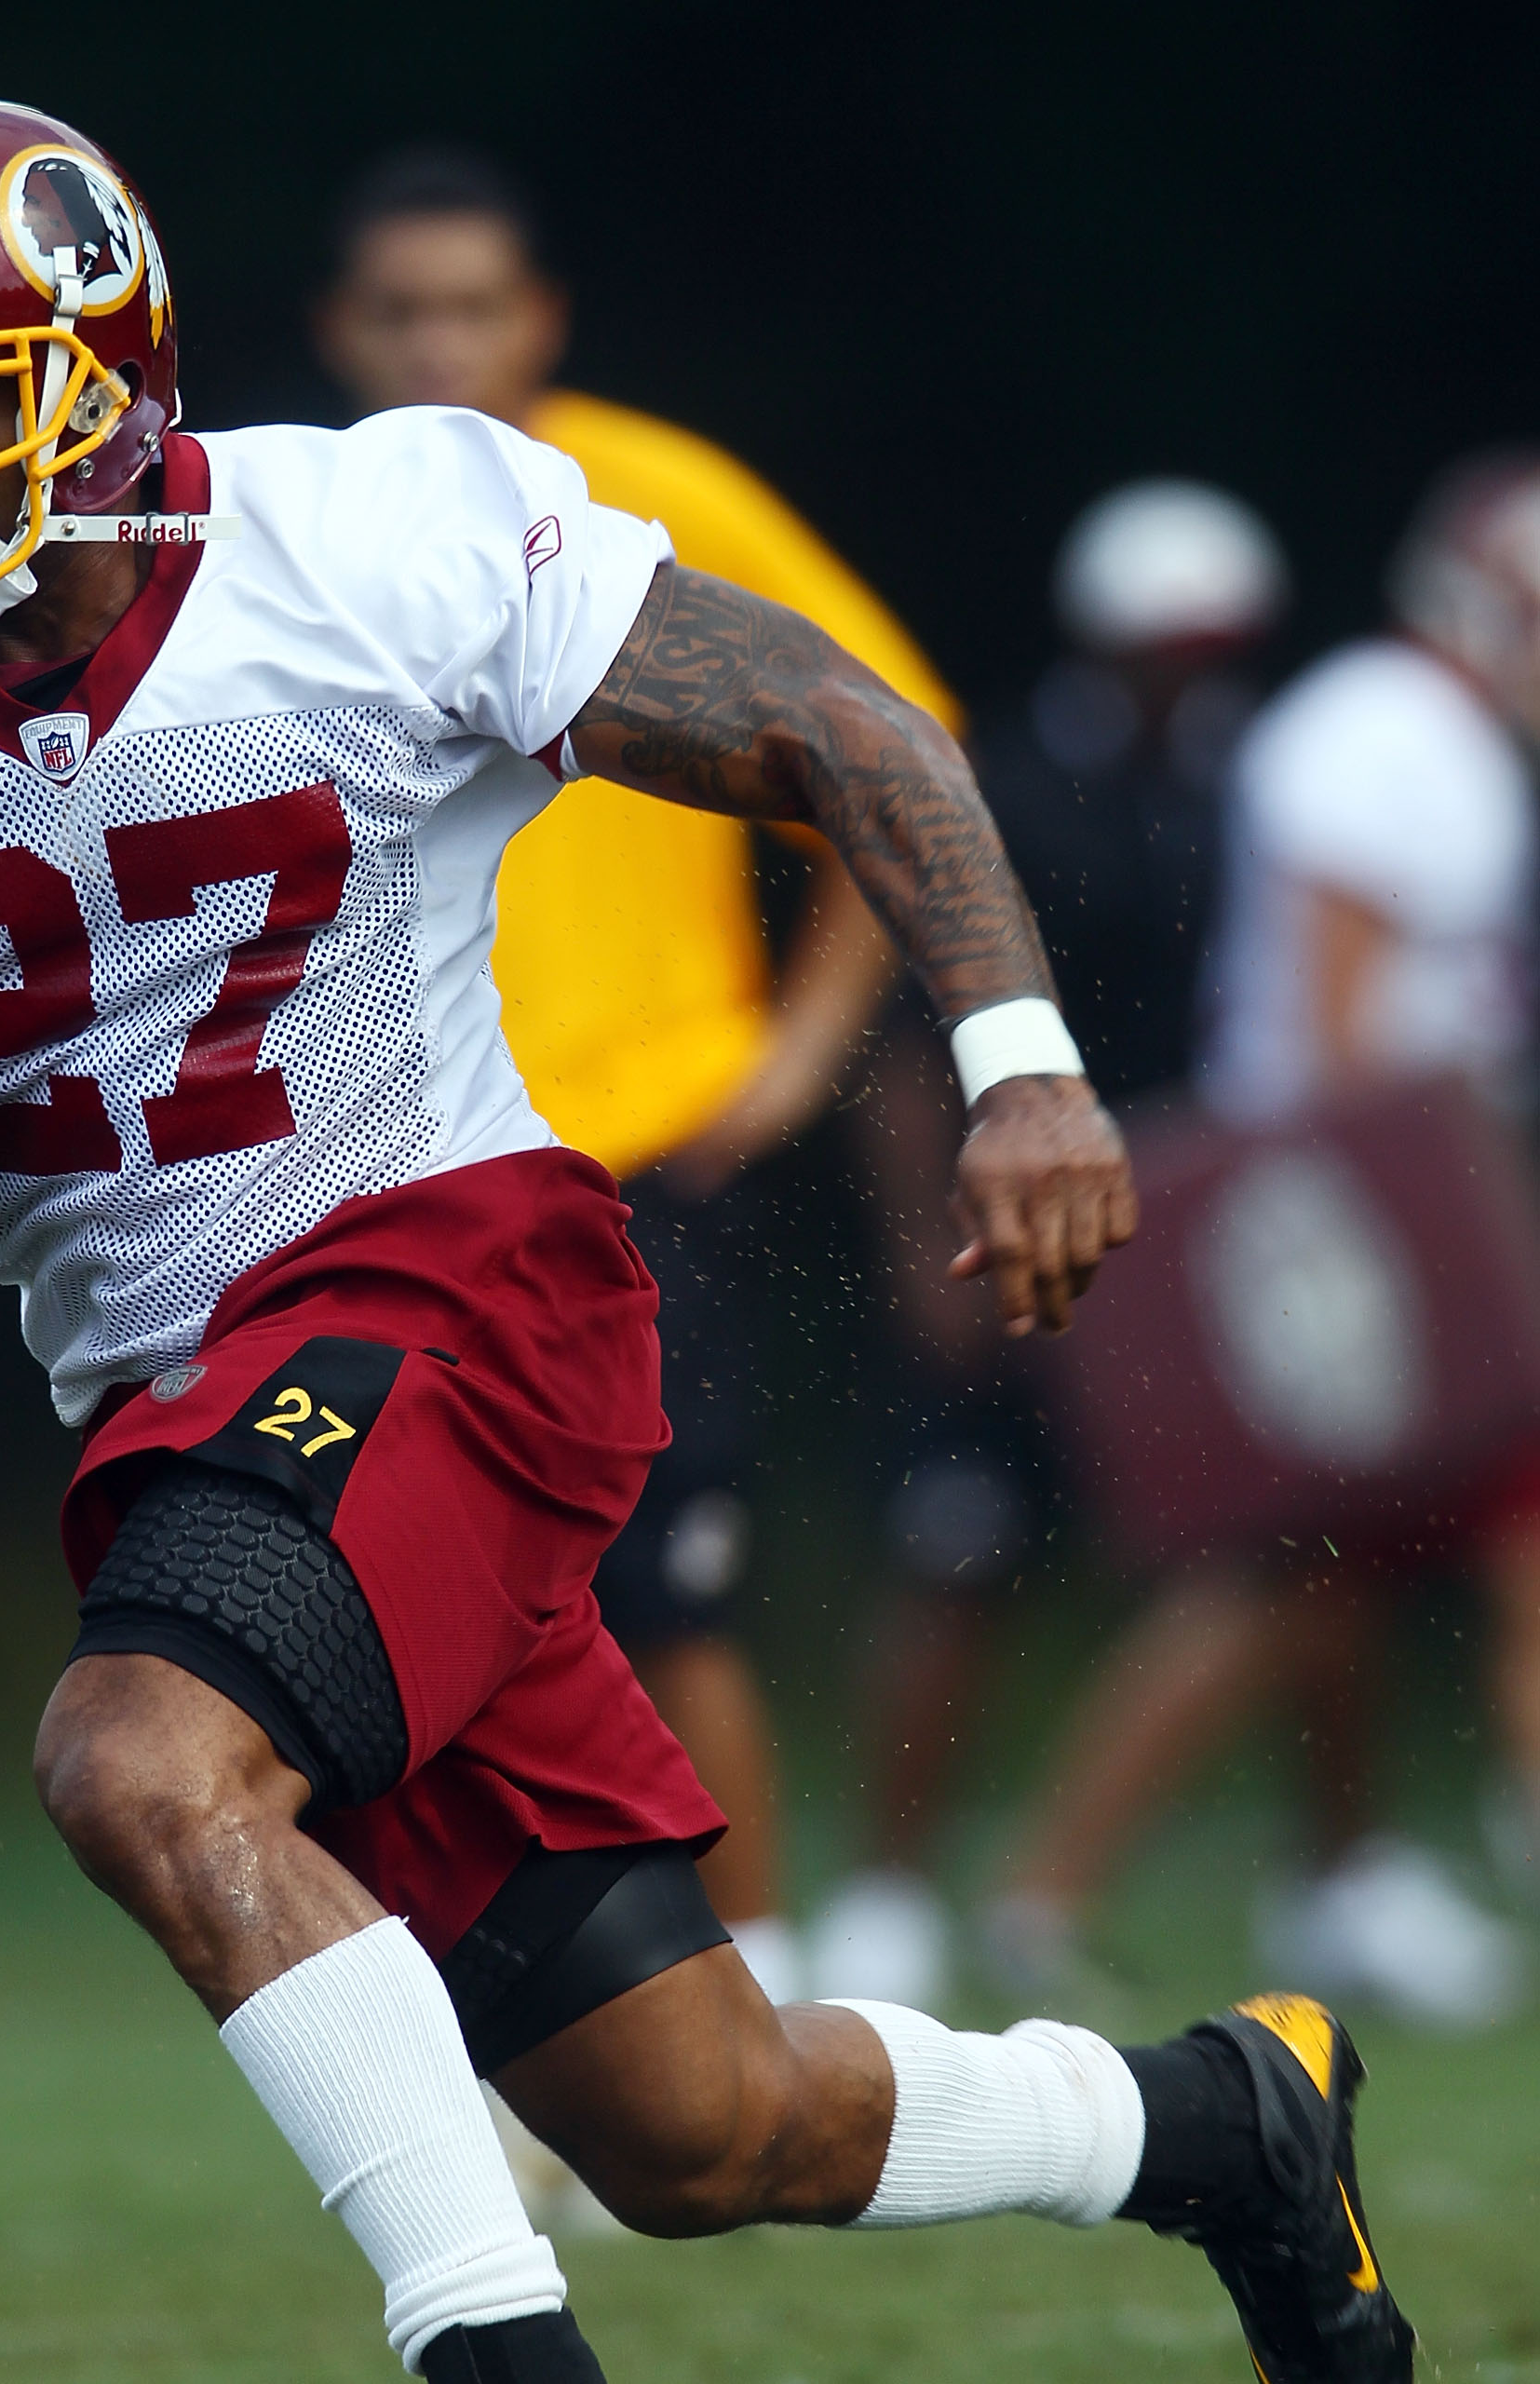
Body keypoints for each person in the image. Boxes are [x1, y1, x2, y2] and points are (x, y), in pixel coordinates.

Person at [0, 98, 1412, 2384]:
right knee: (706, 2126)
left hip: (454, 1287)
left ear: (101, 383)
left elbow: (839, 727)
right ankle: (1226, 2122)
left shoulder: (377, 540)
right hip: (190, 1407)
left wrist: (1019, 1057)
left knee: (141, 1762)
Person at [312, 146, 962, 2005]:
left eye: (471, 303)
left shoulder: (649, 495)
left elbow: (886, 737)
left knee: (669, 1604)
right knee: (404, 1624)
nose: (438, 340)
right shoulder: (289, 534)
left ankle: (764, 2005)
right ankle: (504, 2013)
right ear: (338, 331)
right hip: (375, 1175)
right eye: (400, 308)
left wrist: (797, 1050)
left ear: (539, 318)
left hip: (624, 1154)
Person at [991, 455, 1540, 2025]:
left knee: (1308, 1576)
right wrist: (1442, 1244)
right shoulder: (1397, 742)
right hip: (1361, 1210)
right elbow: (1347, 1033)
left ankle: (1088, 1888)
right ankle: (1072, 1888)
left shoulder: (1419, 738)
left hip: (1367, 1203)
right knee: (1380, 1559)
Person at [831, 482, 1289, 2003]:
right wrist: (920, 1244)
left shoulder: (1248, 788)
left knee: (1260, 1553)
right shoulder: (1011, 784)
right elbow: (904, 1045)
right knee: (960, 1548)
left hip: (1178, 1235)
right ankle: (889, 1889)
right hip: (1009, 1217)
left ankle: (1089, 1882)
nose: (1188, 669)